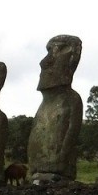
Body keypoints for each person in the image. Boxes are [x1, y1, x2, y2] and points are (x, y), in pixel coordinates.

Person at [27, 35, 83, 183]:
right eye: (49, 51)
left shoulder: (72, 100)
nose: (44, 62)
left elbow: (70, 135)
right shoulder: (44, 105)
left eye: (61, 50)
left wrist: (58, 160)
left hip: (58, 169)